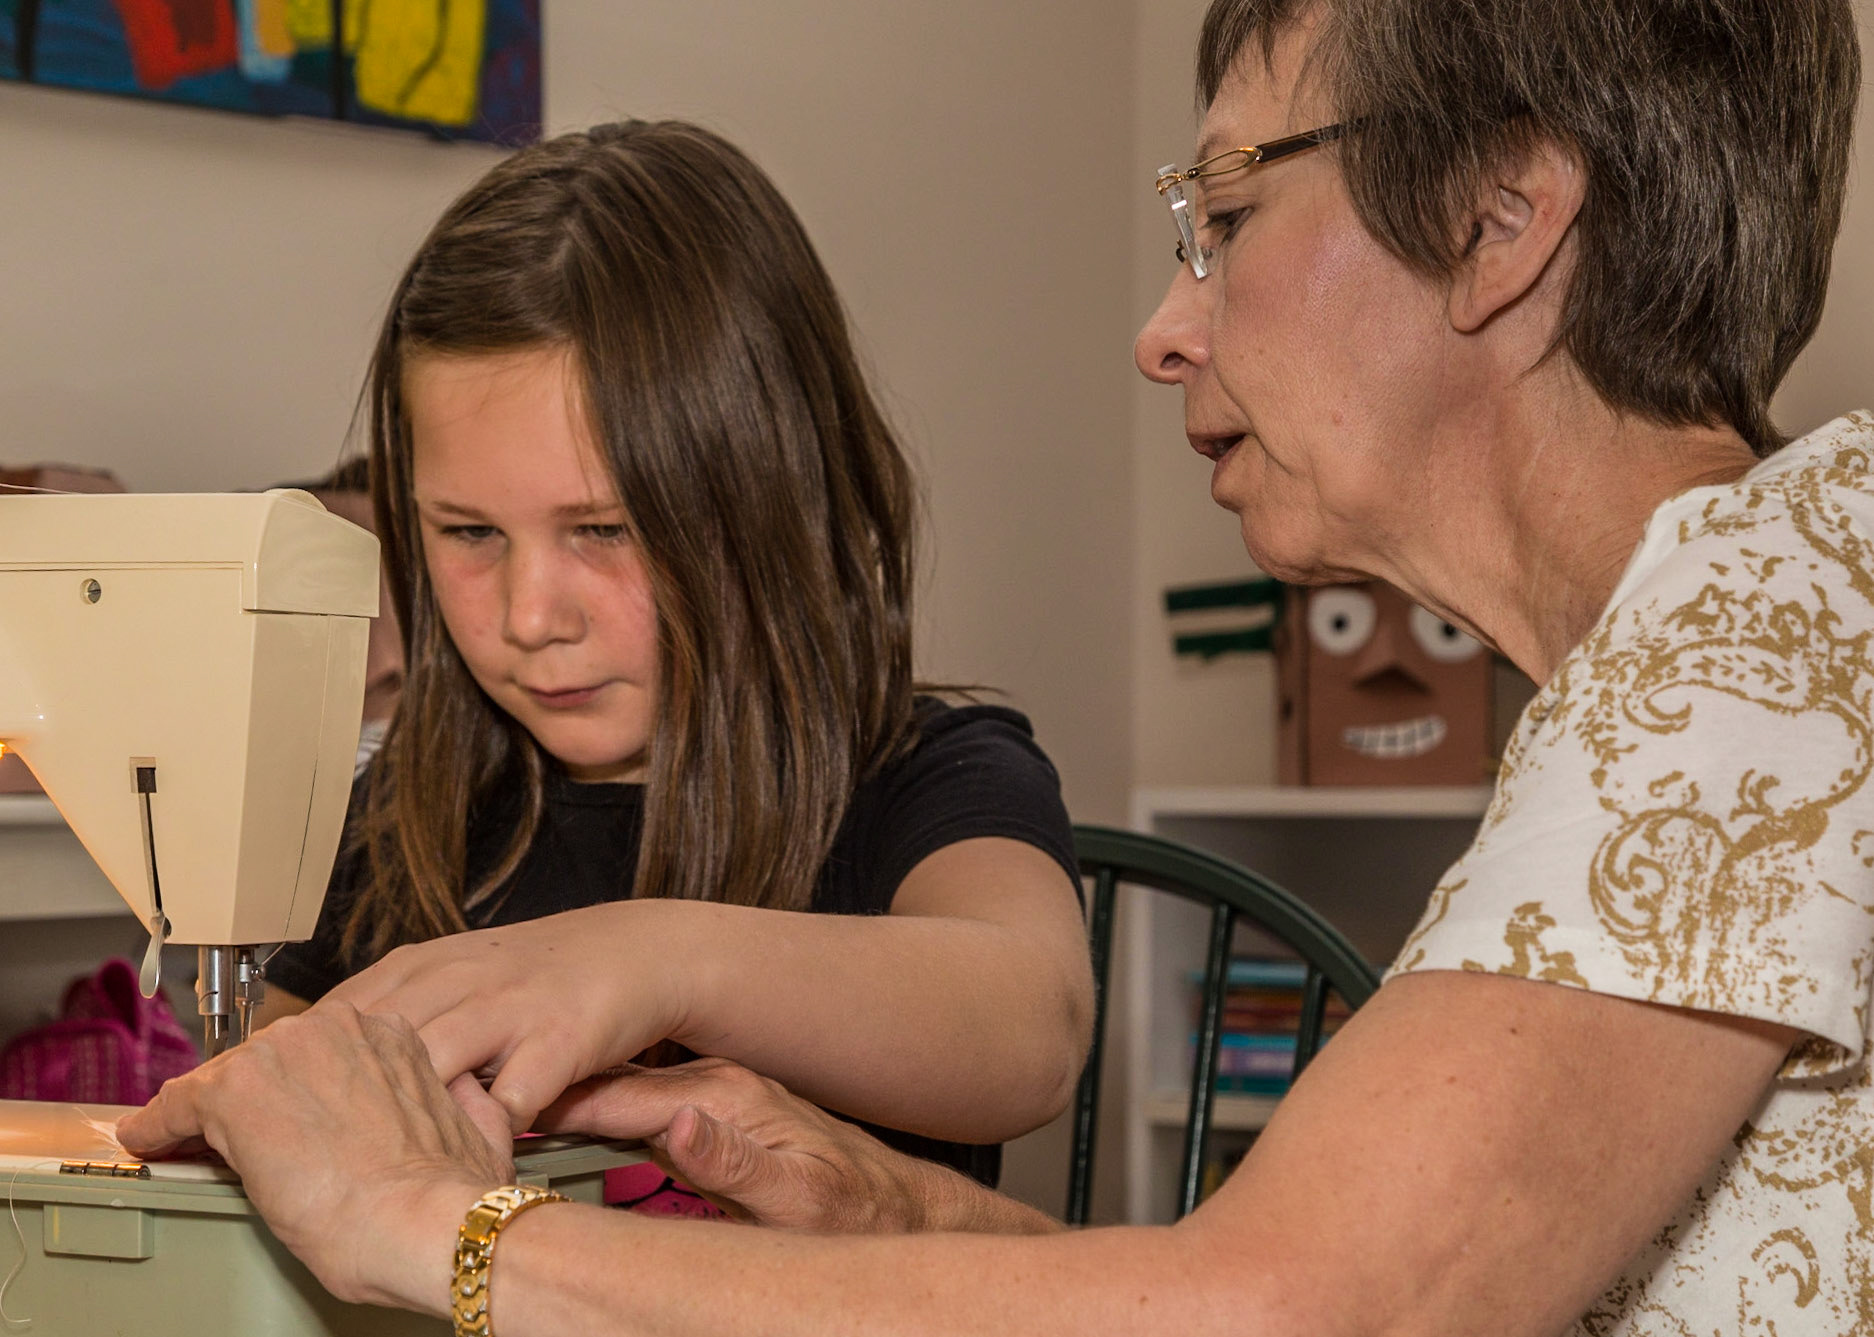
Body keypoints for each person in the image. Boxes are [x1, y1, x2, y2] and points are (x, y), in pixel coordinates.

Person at [121, 1, 1869, 1333]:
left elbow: (1274, 1316)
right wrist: (905, 1217)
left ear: (1500, 222)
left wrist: (437, 1226)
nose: (1163, 324)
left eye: (1226, 212)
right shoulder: (1706, 658)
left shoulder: (1772, 601)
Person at [248, 119, 1096, 1194]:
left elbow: (1030, 1029)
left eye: (602, 530)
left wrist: (655, 960)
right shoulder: (406, 819)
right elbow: (270, 1088)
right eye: (468, 532)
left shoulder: (930, 778)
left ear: (764, 497)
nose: (528, 614)